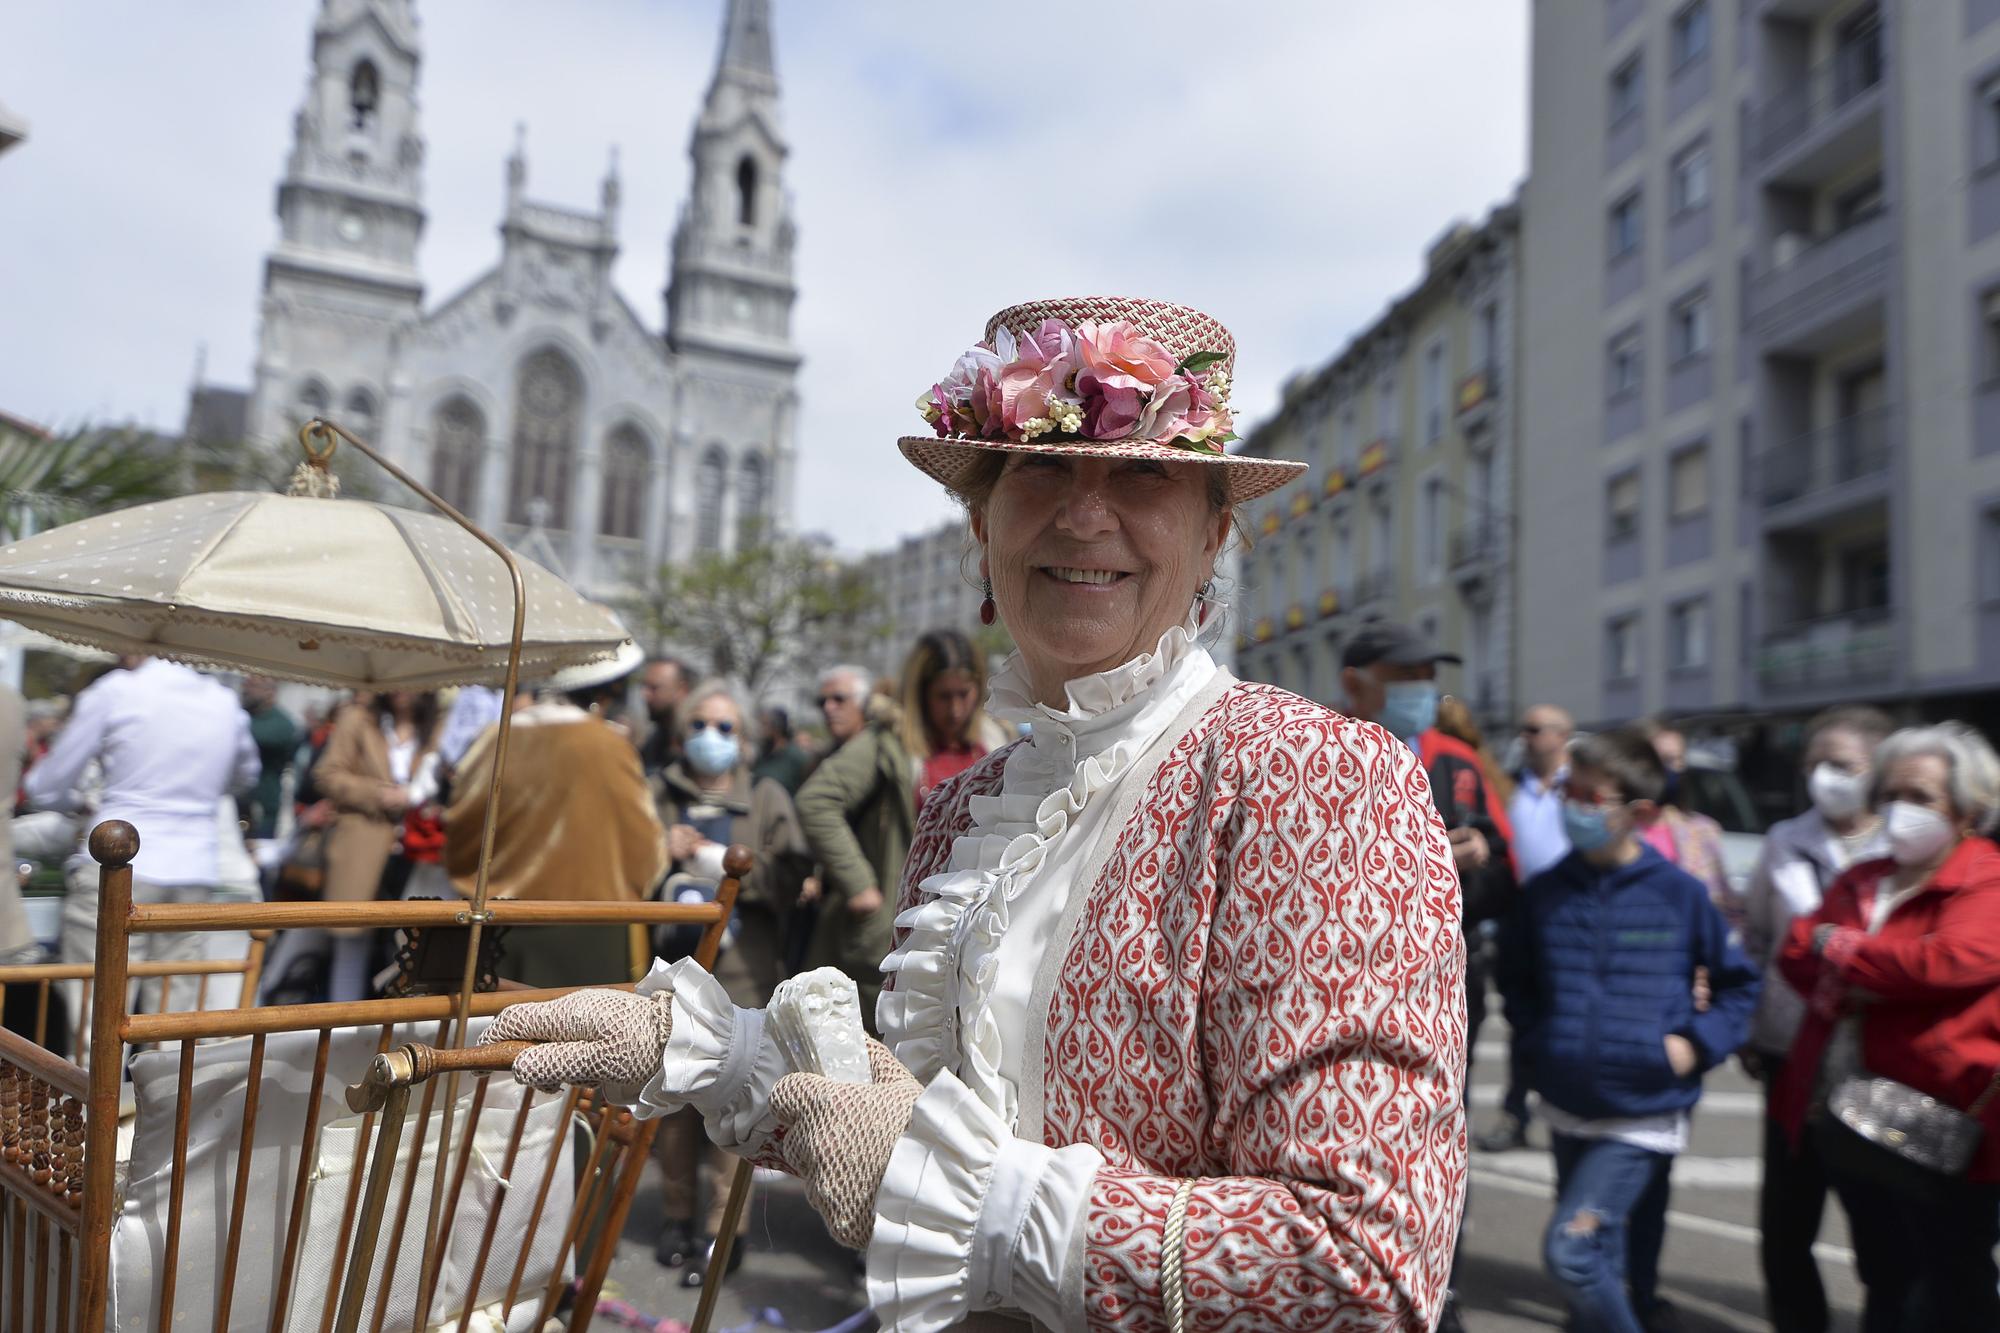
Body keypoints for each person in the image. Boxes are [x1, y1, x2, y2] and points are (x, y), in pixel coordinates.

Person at [484, 296, 1467, 1329]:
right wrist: (714, 1051)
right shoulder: (963, 807)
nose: (1085, 516)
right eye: (1040, 467)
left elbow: (1365, 1259)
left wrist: (970, 1202)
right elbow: (910, 1122)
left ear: (1212, 533)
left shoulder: (1312, 776)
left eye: (1140, 474)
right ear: (980, 524)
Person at [1501, 728, 1759, 1333]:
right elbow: (1518, 984)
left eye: (1593, 797)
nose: (1574, 807)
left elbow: (1738, 985)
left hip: (1642, 1113)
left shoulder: (1680, 893)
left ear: (1638, 813)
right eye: (1571, 792)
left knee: (1572, 1250)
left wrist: (1692, 1046)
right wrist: (1541, 1044)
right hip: (1567, 1104)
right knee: (1598, 1263)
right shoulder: (1543, 893)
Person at [1772, 722, 2000, 1333]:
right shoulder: (1866, 876)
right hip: (1845, 1109)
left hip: (1945, 1117)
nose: (1901, 811)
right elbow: (1795, 948)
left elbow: (1948, 963)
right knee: (1884, 1273)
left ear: (1968, 807)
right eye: (1891, 794)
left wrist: (1843, 953)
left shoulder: (1986, 878)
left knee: (1954, 1280)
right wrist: (1874, 972)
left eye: (1921, 797)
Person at [650, 679, 813, 1280]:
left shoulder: (766, 796)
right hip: (672, 974)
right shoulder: (658, 792)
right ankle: (674, 1216)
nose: (709, 738)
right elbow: (627, 867)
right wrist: (659, 849)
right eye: (698, 725)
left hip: (742, 976)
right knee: (669, 1101)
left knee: (733, 1105)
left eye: (724, 728)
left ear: (743, 740)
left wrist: (731, 864)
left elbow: (792, 873)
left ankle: (725, 1232)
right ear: (680, 731)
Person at [1738, 704, 1892, 1333]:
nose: (1824, 777)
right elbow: (1756, 938)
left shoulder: (1905, 846)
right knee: (1787, 1218)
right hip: (1791, 1054)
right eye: (1814, 764)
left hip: (1876, 1061)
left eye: (1842, 764)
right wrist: (1750, 1025)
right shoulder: (1784, 840)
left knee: (1880, 1225)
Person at [23, 656, 259, 1015]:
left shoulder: (117, 689)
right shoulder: (224, 701)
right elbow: (244, 776)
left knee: (95, 1014)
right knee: (173, 1016)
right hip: (191, 864)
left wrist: (83, 801)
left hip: (115, 860)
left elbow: (47, 784)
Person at [445, 646, 666, 989]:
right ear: (608, 691)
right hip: (587, 932)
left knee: (490, 1039)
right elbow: (645, 851)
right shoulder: (609, 747)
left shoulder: (496, 738)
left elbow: (460, 830)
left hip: (496, 926)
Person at [796, 665, 912, 1033]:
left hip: (873, 919)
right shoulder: (845, 750)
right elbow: (818, 808)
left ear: (866, 704)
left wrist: (860, 886)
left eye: (840, 699)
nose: (829, 708)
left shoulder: (873, 744)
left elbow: (815, 804)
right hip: (856, 917)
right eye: (823, 701)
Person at [312, 690, 438, 1001]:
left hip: (419, 850)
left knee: (410, 944)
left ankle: (395, 1028)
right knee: (351, 939)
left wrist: (417, 795)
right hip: (362, 843)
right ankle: (343, 1028)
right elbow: (327, 774)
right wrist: (377, 793)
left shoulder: (437, 725)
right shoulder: (358, 719)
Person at [898, 628, 1005, 812]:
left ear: (978, 689)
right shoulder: (892, 742)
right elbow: (830, 799)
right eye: (944, 696)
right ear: (921, 695)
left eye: (963, 694)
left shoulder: (994, 740)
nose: (955, 710)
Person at [1641, 722, 1734, 921]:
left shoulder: (1703, 831)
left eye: (1674, 760)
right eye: (1657, 760)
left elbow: (1723, 904)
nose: (1666, 769)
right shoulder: (1616, 828)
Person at [238, 675, 300, 842]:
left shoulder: (282, 724)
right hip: (237, 805)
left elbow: (251, 737)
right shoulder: (243, 715)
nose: (246, 689)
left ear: (269, 692)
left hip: (263, 809)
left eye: (253, 685)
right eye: (245, 684)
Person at [640, 655, 694, 777]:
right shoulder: (653, 741)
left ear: (682, 690)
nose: (645, 695)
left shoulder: (696, 742)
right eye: (644, 686)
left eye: (654, 688)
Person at [749, 705, 810, 795]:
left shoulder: (796, 757)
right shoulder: (763, 756)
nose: (761, 730)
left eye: (765, 725)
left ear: (777, 727)